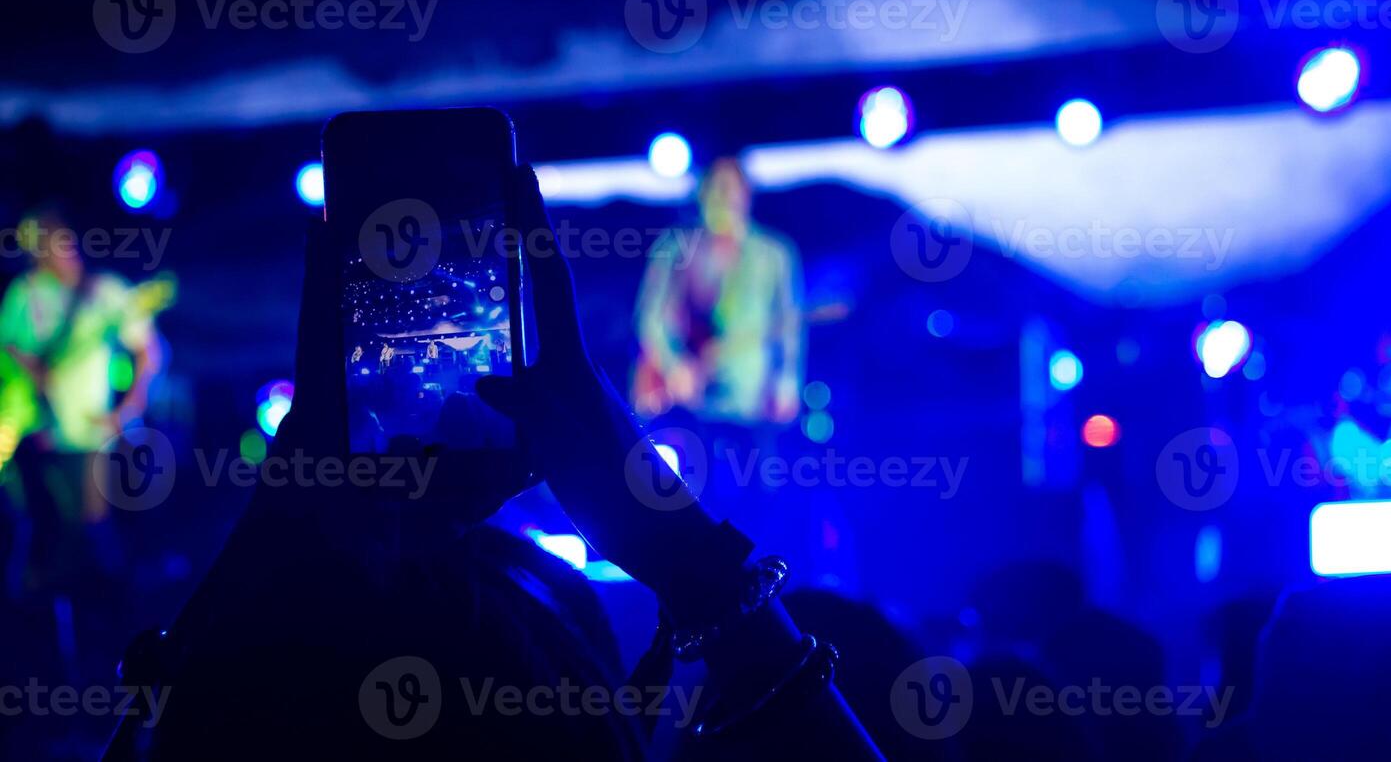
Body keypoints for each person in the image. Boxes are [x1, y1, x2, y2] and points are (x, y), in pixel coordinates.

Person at [114, 165, 878, 759]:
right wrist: (690, 564)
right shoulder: (678, 253)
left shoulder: (772, 258)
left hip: (744, 409)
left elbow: (783, 326)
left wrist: (263, 528)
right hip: (693, 408)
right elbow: (654, 318)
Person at [0, 208, 162, 595]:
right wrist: (33, 373)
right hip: (41, 434)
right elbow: (8, 347)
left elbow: (148, 352)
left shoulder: (105, 291)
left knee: (92, 522)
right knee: (48, 525)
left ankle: (108, 600)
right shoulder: (25, 294)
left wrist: (128, 408)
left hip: (94, 432)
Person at [634, 158, 804, 425]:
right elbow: (650, 316)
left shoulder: (775, 254)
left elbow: (789, 325)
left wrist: (787, 383)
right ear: (701, 195)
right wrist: (674, 365)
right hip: (681, 400)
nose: (722, 197)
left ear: (746, 195)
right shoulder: (675, 246)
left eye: (729, 188)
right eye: (714, 188)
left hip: (747, 396)